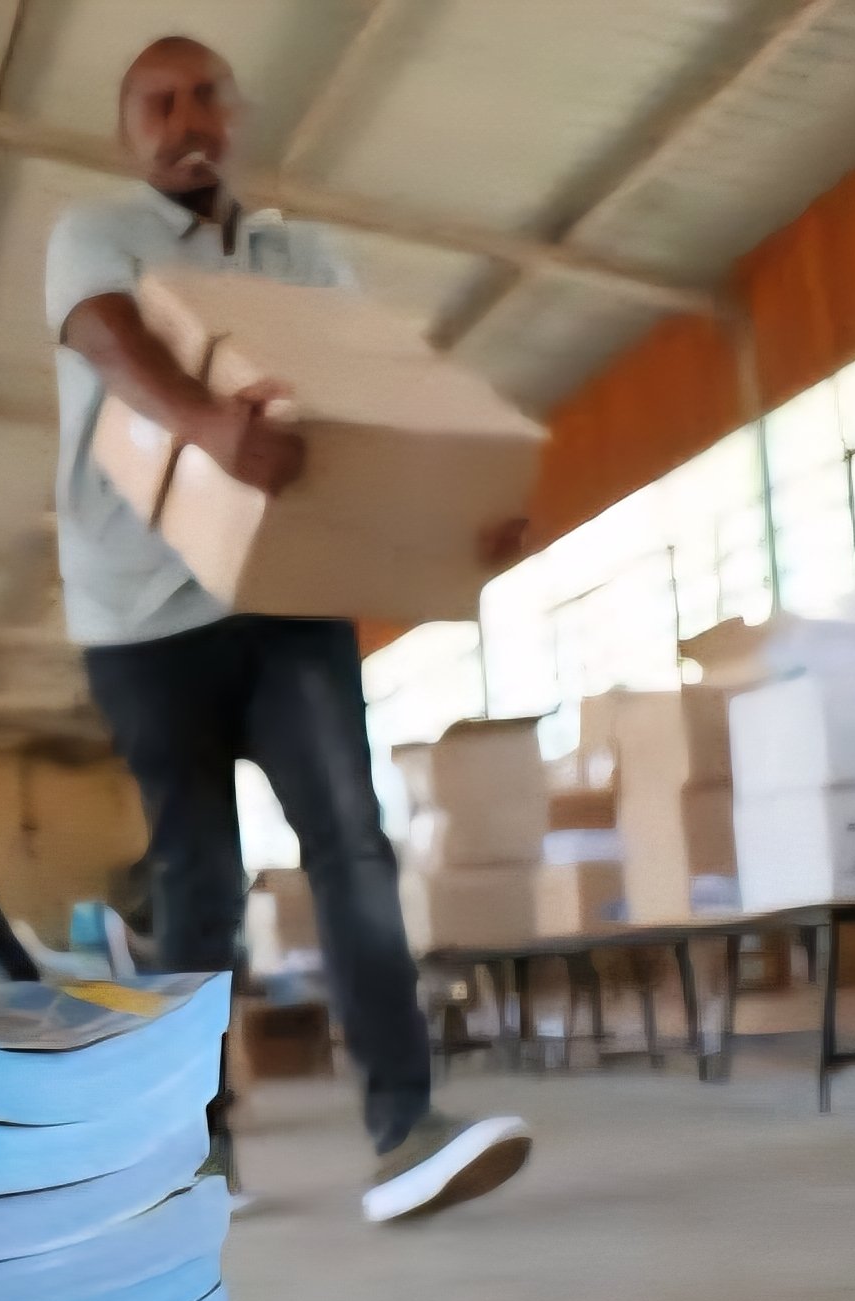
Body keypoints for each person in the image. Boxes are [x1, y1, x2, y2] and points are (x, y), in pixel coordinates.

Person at [45, 34, 531, 1223]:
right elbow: (110, 339)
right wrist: (210, 424)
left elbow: (373, 405)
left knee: (351, 846)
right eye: (157, 103)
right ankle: (191, 1150)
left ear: (237, 114)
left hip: (287, 598)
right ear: (130, 132)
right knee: (198, 879)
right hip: (139, 614)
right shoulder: (94, 239)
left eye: (204, 95)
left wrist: (460, 511)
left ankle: (404, 1124)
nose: (184, 118)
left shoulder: (304, 260)